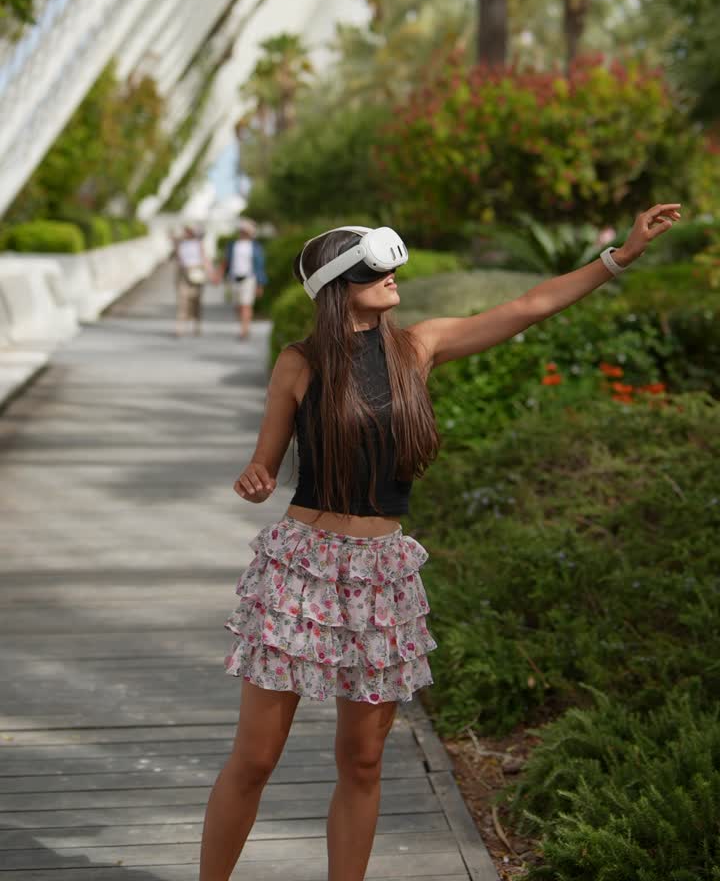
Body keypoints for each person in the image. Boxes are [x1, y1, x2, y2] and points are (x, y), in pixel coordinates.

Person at [199, 203, 682, 881]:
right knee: (255, 759)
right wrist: (254, 478)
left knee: (363, 760)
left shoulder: (417, 348)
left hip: (384, 573)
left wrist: (619, 257)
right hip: (302, 570)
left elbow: (529, 306)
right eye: (375, 270)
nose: (393, 277)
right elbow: (265, 465)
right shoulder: (299, 363)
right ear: (339, 287)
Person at [222, 220, 267, 340]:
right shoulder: (233, 245)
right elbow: (226, 261)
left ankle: (244, 330)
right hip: (234, 278)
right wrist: (219, 275)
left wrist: (260, 284)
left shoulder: (255, 247)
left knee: (246, 305)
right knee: (238, 306)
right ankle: (243, 326)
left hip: (249, 278)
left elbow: (260, 266)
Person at [174, 225, 208, 337]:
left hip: (197, 275)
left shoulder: (199, 244)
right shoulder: (181, 244)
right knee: (182, 302)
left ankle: (197, 324)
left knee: (195, 301)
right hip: (184, 274)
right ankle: (180, 327)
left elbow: (205, 259)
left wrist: (210, 273)